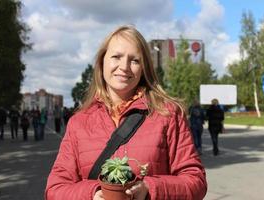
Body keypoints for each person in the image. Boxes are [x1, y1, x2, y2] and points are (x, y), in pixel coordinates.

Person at [45, 25, 207, 200]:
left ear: (144, 68)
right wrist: (92, 195)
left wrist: (150, 189)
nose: (124, 67)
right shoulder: (78, 122)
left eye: (135, 60)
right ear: (102, 62)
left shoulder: (167, 114)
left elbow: (196, 181)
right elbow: (55, 189)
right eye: (116, 57)